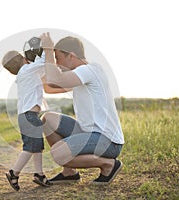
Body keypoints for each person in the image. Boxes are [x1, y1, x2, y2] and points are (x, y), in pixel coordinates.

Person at [40, 33, 125, 185]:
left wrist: (48, 51)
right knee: (48, 119)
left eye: (58, 58)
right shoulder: (80, 77)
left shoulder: (90, 70)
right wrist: (38, 67)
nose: (58, 64)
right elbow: (49, 87)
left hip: (107, 141)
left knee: (58, 155)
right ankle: (69, 173)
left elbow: (54, 80)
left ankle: (109, 164)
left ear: (71, 56)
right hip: (89, 133)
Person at [1, 46, 51, 191]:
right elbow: (42, 63)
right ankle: (14, 173)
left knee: (37, 147)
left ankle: (39, 174)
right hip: (29, 116)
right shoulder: (27, 71)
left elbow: (41, 69)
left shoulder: (26, 74)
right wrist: (44, 48)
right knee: (30, 147)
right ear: (24, 59)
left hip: (28, 116)